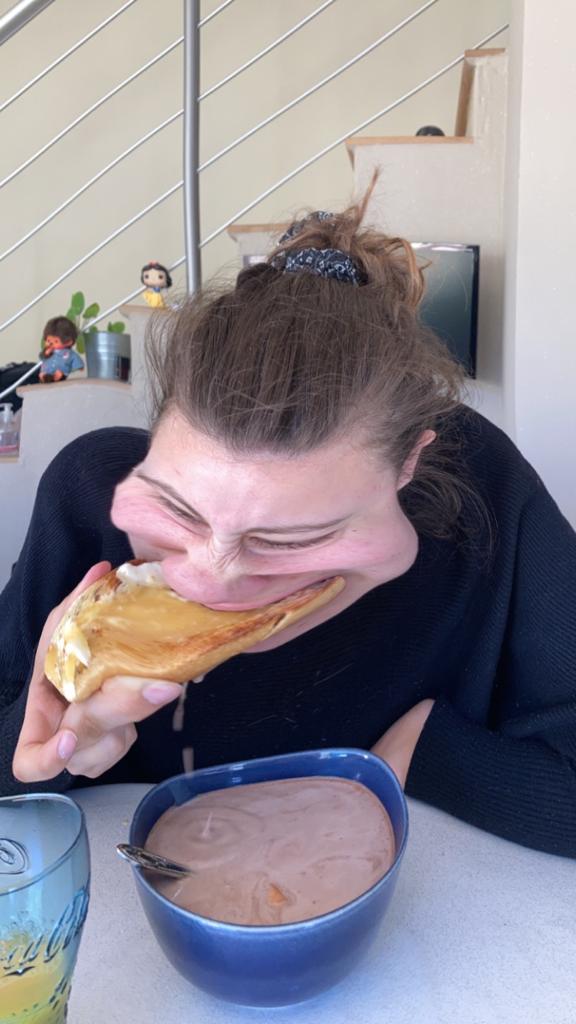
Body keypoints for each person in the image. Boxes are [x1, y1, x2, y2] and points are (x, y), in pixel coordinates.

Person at [1, 194, 575, 858]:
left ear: (408, 463)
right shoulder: (89, 497)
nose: (212, 579)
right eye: (182, 511)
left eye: (288, 539)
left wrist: (419, 750)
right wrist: (46, 742)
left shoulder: (481, 491)